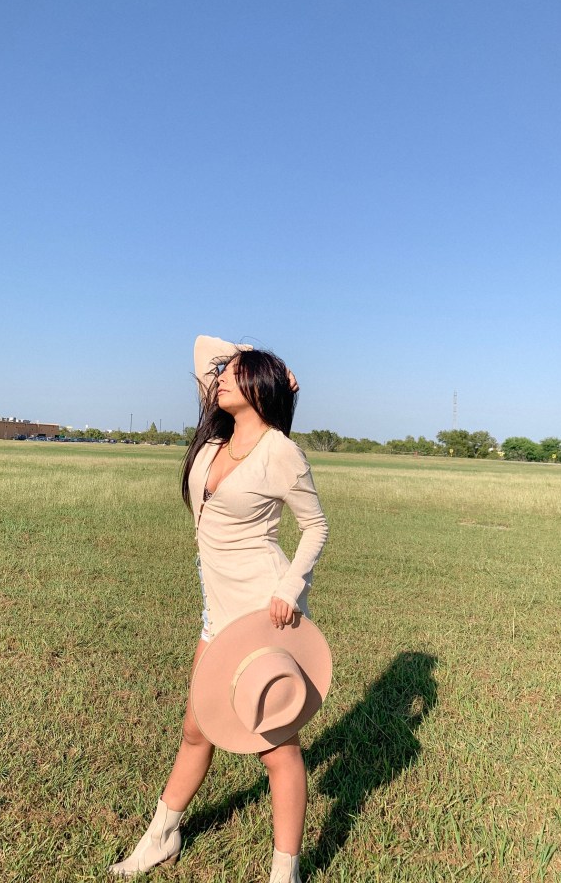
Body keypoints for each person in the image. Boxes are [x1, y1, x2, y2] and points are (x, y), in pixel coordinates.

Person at [109, 335, 329, 882]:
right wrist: (253, 357)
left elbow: (316, 527)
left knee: (275, 747)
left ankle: (284, 872)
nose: (222, 376)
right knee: (197, 725)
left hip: (264, 609)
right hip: (218, 607)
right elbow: (201, 346)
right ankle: (162, 836)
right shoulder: (214, 443)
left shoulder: (280, 452)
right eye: (224, 372)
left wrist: (290, 588)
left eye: (236, 372)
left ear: (259, 389)